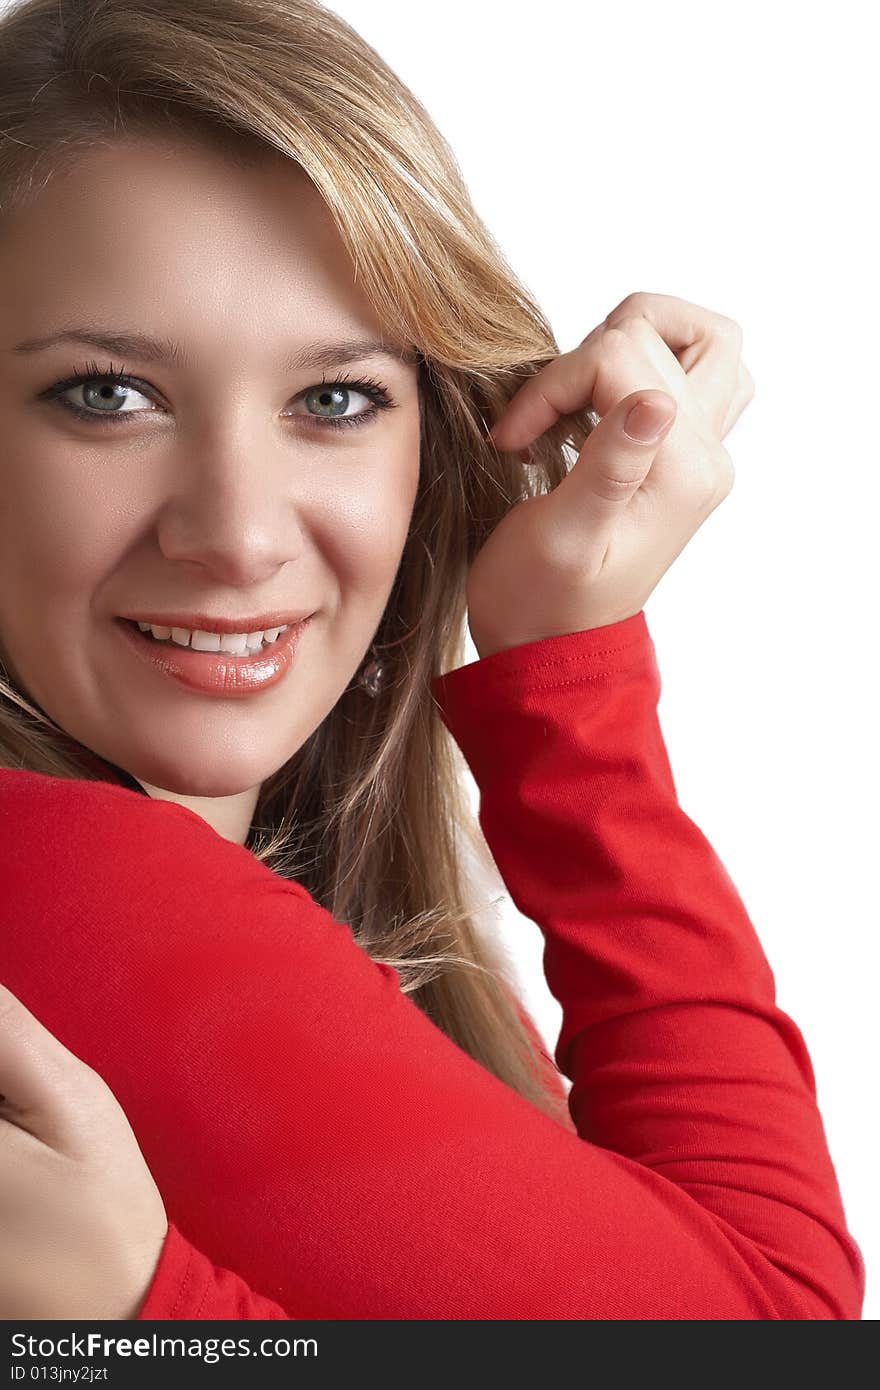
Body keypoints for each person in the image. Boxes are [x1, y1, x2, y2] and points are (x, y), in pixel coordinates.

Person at [0, 0, 864, 1322]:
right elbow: (775, 1325)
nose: (236, 535)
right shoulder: (63, 876)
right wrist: (572, 685)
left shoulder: (336, 921)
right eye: (108, 393)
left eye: (334, 398)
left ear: (435, 438)